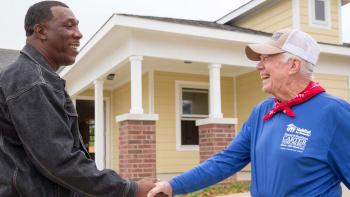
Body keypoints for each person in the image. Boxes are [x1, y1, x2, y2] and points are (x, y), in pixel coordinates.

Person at [147, 28, 350, 197]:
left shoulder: (334, 113)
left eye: (267, 58)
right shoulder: (262, 111)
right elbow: (226, 161)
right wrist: (173, 185)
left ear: (294, 65)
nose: (258, 66)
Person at [0, 1, 157, 196]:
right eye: (69, 25)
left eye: (77, 25)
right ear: (40, 31)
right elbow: (59, 160)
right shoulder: (31, 80)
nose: (79, 33)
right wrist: (130, 189)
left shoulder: (39, 77)